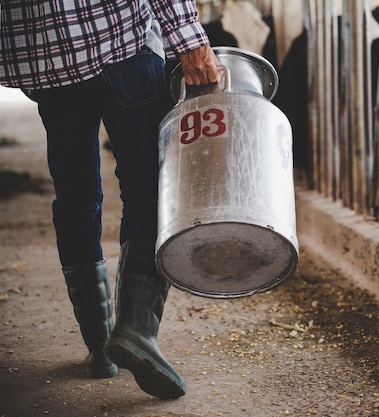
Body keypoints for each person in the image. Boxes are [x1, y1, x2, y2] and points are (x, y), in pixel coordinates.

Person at [0, 0, 221, 399]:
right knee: (149, 188)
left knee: (75, 196)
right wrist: (189, 40)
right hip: (119, 40)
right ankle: (136, 329)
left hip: (47, 57)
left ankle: (99, 347)